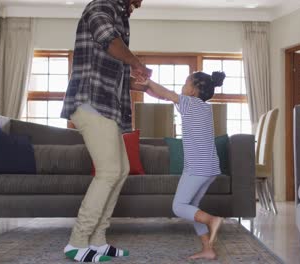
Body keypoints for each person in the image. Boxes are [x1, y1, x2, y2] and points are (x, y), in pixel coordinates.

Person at [60, 0, 151, 262]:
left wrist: (139, 84)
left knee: (120, 170)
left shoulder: (121, 16)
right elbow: (107, 39)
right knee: (110, 170)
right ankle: (77, 241)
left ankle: (97, 240)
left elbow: (112, 67)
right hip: (91, 102)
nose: (140, 4)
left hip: (106, 106)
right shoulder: (101, 5)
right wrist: (136, 62)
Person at [137, 71, 226, 260]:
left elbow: (167, 93)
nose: (183, 86)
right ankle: (208, 248)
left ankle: (212, 220)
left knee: (179, 206)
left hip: (197, 167)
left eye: (186, 83)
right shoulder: (202, 107)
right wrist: (149, 87)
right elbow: (164, 95)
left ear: (193, 91)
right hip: (210, 167)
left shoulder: (189, 103)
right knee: (193, 206)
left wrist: (149, 81)